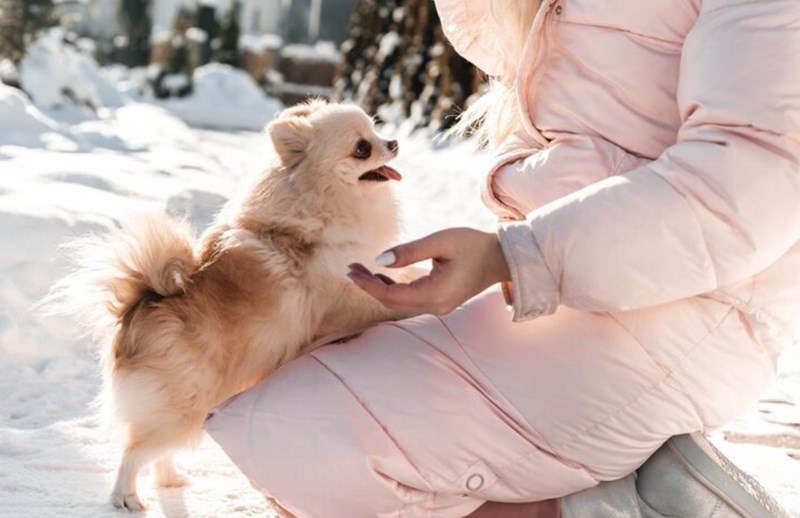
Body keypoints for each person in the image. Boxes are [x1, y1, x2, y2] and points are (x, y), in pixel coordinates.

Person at [205, 0, 800, 516]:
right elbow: (559, 105)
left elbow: (752, 183)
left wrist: (514, 258)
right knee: (266, 403)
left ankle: (616, 508)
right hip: (574, 280)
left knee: (299, 440)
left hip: (692, 305)